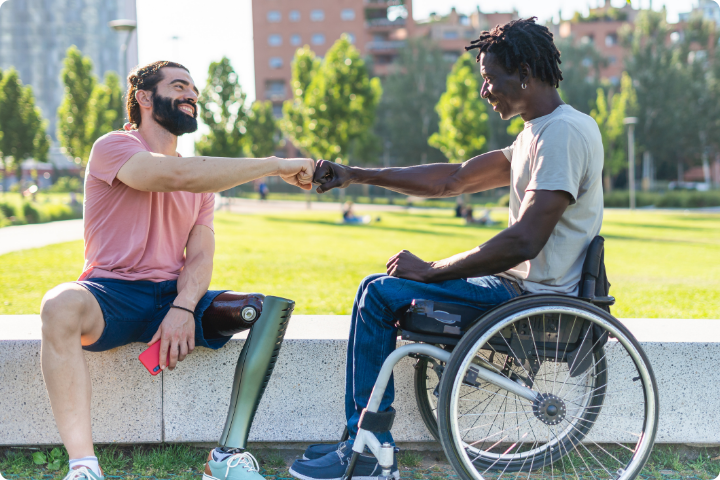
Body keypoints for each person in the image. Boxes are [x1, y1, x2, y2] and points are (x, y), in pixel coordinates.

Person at [290, 17, 604, 480]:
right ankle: (360, 440)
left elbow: (525, 239)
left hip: (531, 297)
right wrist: (357, 174)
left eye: (488, 78)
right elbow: (452, 179)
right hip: (517, 288)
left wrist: (432, 270)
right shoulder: (538, 133)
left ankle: (370, 452)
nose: (484, 91)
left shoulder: (562, 134)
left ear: (522, 72)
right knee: (376, 287)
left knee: (379, 294)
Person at [39, 61, 315, 480]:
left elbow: (200, 253)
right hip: (109, 295)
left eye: (194, 90)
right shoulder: (113, 147)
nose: (193, 95)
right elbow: (172, 176)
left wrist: (184, 306)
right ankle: (84, 467)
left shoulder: (202, 180)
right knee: (58, 304)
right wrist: (277, 164)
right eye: (180, 86)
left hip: (172, 296)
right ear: (145, 98)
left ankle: (226, 458)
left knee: (267, 310)